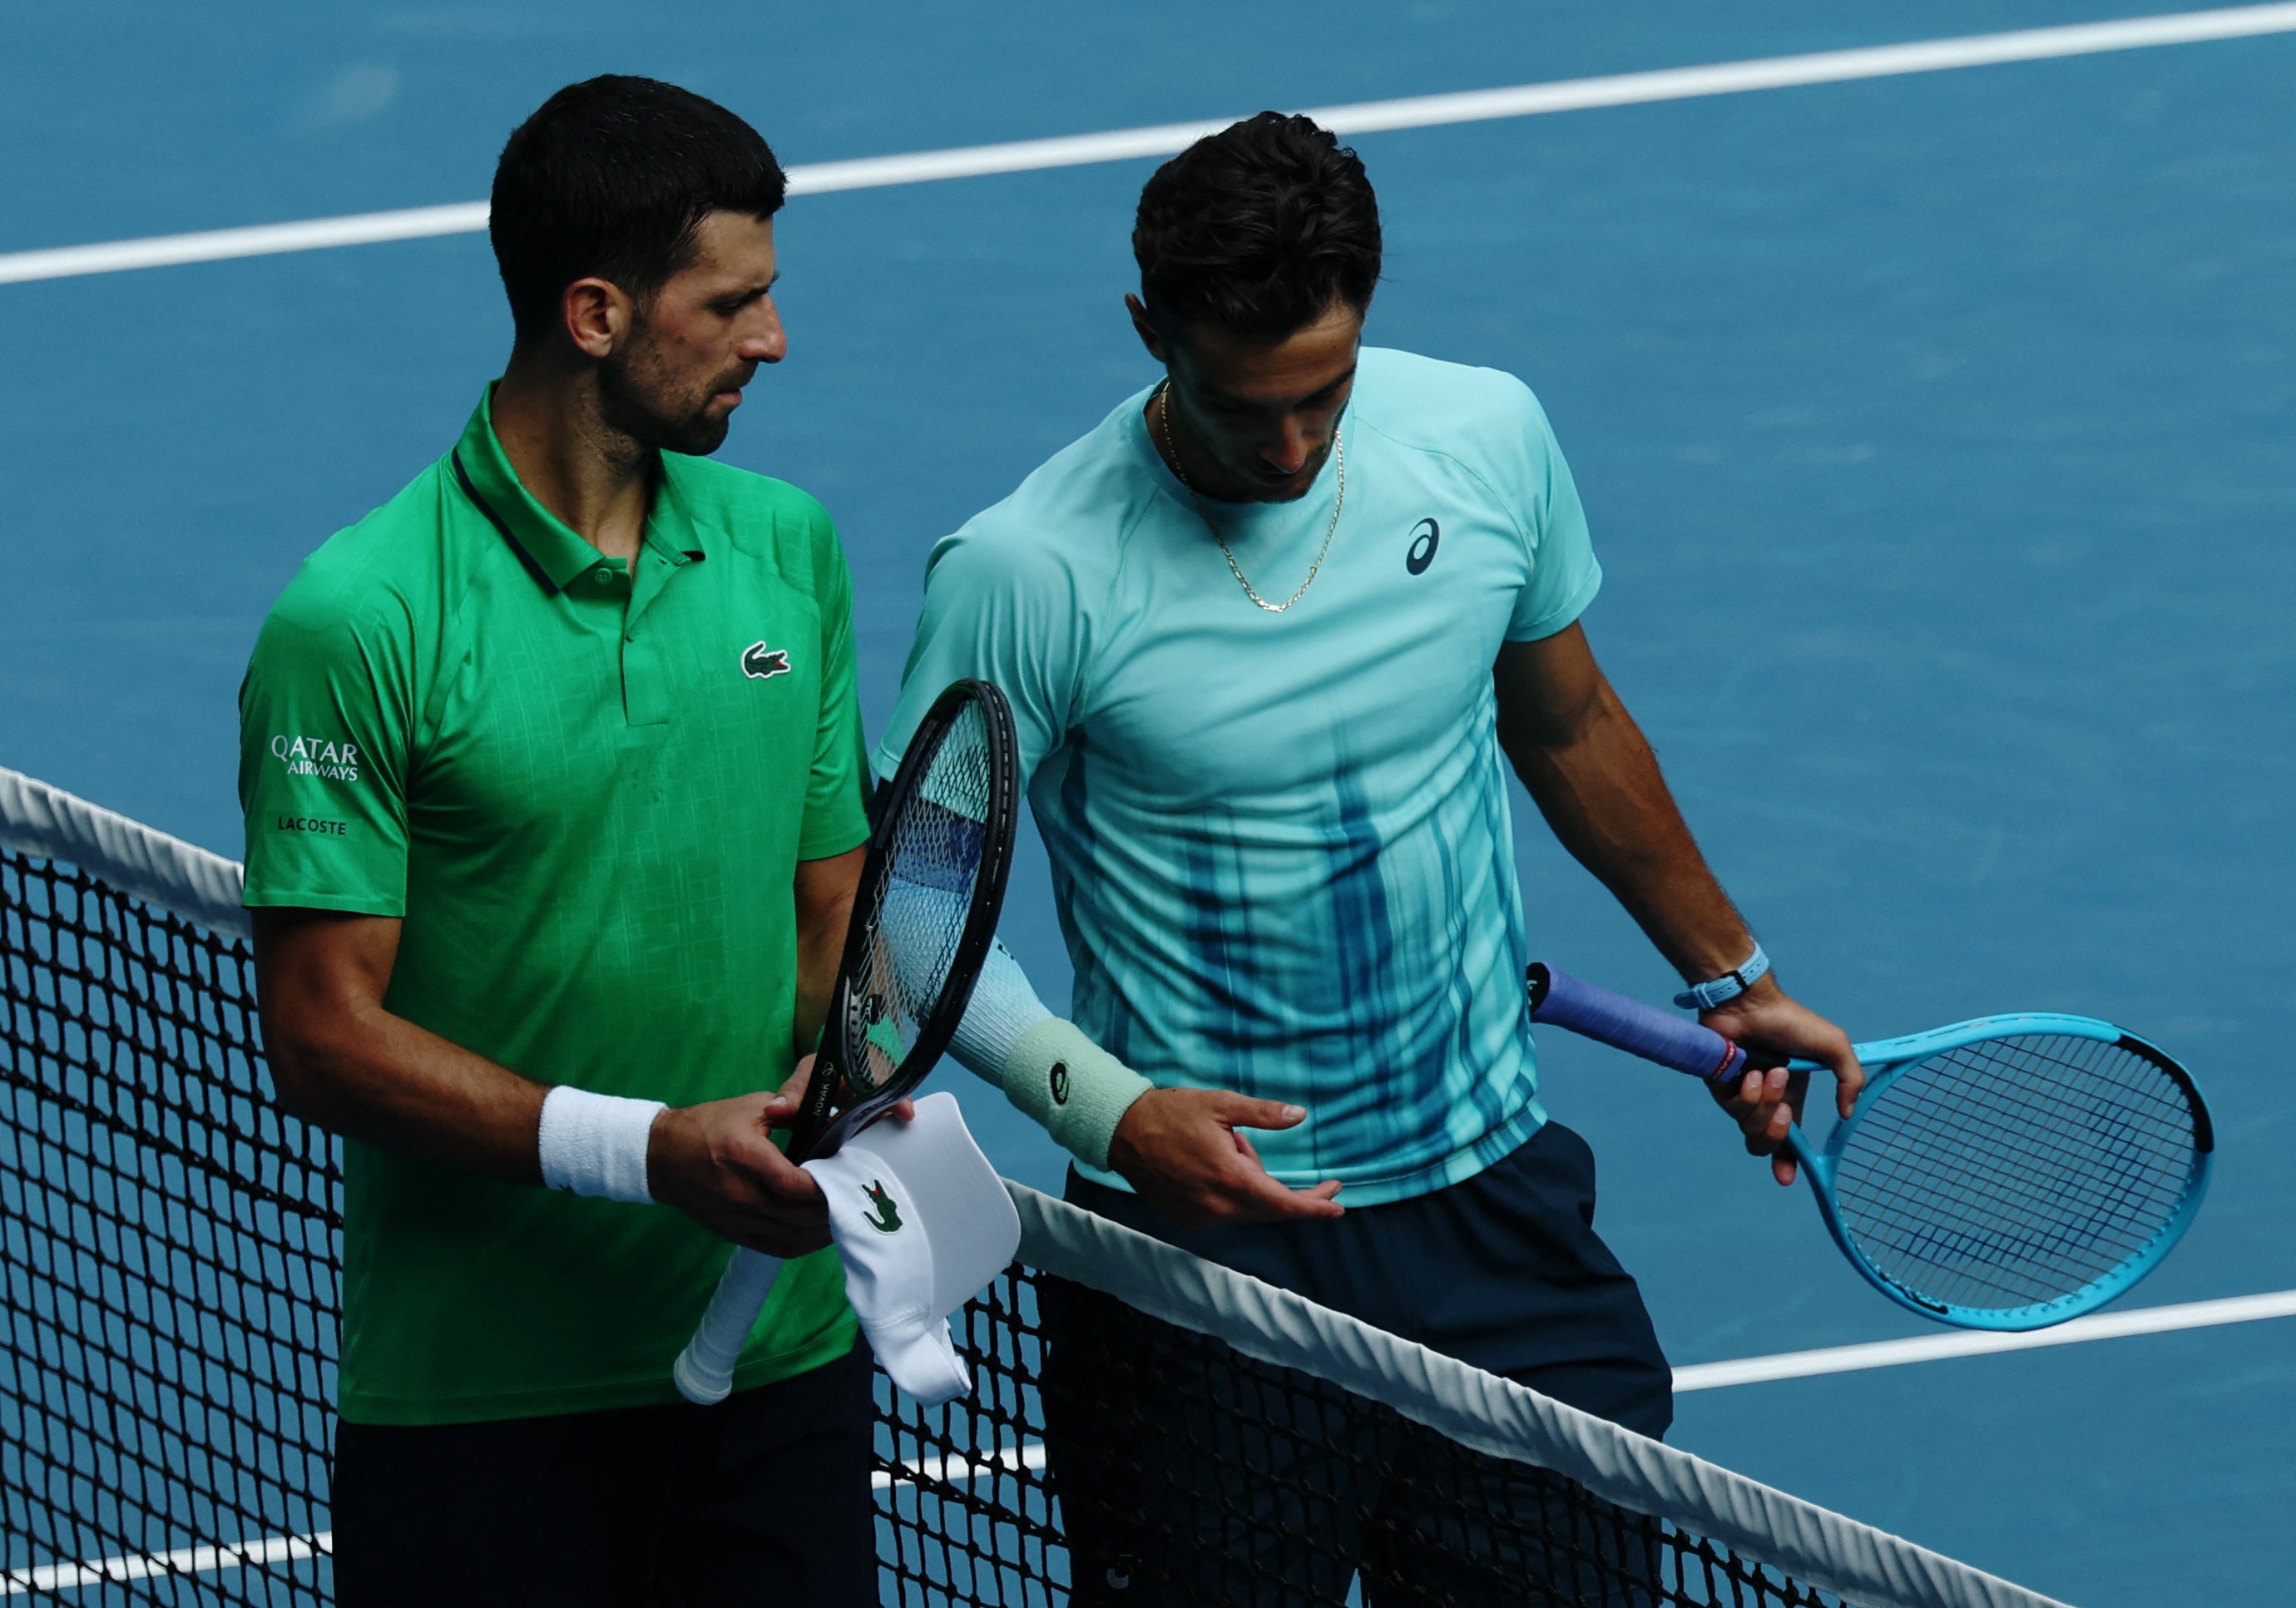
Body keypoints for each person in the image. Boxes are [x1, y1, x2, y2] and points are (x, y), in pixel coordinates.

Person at [878, 112, 1864, 1602]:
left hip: (1496, 1215)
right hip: (1207, 1252)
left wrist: (1732, 970)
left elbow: (1572, 719)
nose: (1285, 447)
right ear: (1149, 329)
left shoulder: (1481, 441)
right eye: (1240, 406)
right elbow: (904, 916)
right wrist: (1106, 1109)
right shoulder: (1029, 572)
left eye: (1322, 396)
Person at [239, 77, 878, 1606]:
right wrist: (649, 1153)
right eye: (733, 304)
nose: (771, 341)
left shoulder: (788, 548)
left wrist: (842, 1080)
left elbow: (834, 918)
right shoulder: (364, 619)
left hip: (776, 1371)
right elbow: (324, 1038)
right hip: (483, 1409)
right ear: (596, 312)